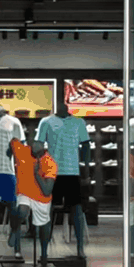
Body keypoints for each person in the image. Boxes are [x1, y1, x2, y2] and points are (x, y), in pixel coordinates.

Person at [36, 95, 91, 258]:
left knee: (77, 210)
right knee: (48, 211)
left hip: (72, 171)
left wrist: (86, 169)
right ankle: (44, 251)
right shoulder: (46, 122)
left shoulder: (79, 122)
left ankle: (80, 248)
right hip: (52, 172)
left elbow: (86, 145)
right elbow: (38, 144)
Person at [8, 137, 57, 263]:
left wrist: (37, 175)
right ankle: (14, 230)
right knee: (22, 210)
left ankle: (44, 254)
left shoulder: (50, 163)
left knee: (44, 224)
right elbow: (12, 142)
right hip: (24, 192)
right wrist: (9, 153)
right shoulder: (22, 150)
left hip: (41, 197)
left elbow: (47, 191)